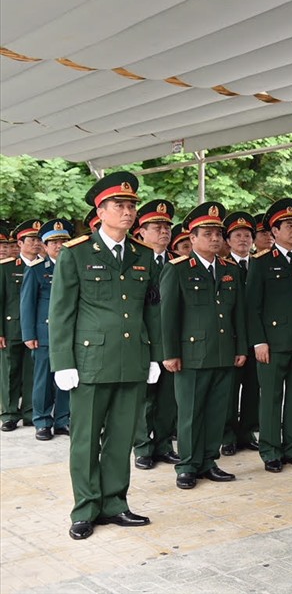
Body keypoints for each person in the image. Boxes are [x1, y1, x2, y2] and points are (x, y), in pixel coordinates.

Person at [49, 171, 162, 540]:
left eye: (131, 206)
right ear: (101, 210)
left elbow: (151, 311)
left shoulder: (143, 254)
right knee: (85, 440)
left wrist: (155, 356)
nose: (128, 212)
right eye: (120, 205)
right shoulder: (77, 253)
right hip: (90, 363)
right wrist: (62, 362)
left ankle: (115, 502)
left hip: (132, 359)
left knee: (120, 438)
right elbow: (62, 312)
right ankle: (85, 508)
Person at [160, 202, 248, 489]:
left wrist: (241, 347)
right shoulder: (179, 269)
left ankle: (209, 461)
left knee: (216, 411)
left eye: (217, 234)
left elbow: (238, 314)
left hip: (224, 352)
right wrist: (170, 352)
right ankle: (187, 465)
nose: (214, 238)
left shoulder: (229, 269)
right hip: (191, 355)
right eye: (207, 233)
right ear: (192, 238)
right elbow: (168, 316)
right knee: (190, 413)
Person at [246, 198, 292, 473]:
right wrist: (259, 340)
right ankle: (271, 449)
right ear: (274, 231)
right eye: (288, 225)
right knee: (271, 397)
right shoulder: (261, 262)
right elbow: (253, 306)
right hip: (273, 343)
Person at [131, 199, 181, 470]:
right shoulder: (134, 260)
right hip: (143, 340)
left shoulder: (176, 262)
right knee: (144, 399)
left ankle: (163, 444)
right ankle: (142, 446)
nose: (164, 231)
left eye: (167, 226)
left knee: (168, 399)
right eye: (157, 226)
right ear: (141, 231)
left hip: (171, 342)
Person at [20, 219, 74, 440]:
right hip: (44, 334)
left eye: (63, 241)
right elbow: (27, 304)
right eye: (54, 242)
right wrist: (29, 334)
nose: (59, 245)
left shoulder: (74, 267)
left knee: (66, 377)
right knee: (43, 379)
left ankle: (63, 420)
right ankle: (42, 421)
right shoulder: (36, 270)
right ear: (44, 245)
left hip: (69, 334)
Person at [220, 211, 260, 455]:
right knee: (229, 391)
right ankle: (227, 435)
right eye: (237, 235)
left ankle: (247, 432)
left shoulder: (260, 264)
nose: (243, 239)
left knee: (253, 389)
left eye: (247, 235)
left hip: (256, 339)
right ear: (228, 240)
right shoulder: (223, 266)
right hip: (231, 338)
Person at [1, 219, 43, 432]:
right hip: (12, 329)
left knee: (32, 372)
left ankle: (30, 412)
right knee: (10, 372)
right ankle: (9, 414)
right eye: (32, 239)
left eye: (38, 239)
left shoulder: (45, 267)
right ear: (20, 243)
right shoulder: (7, 268)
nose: (36, 243)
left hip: (36, 328)